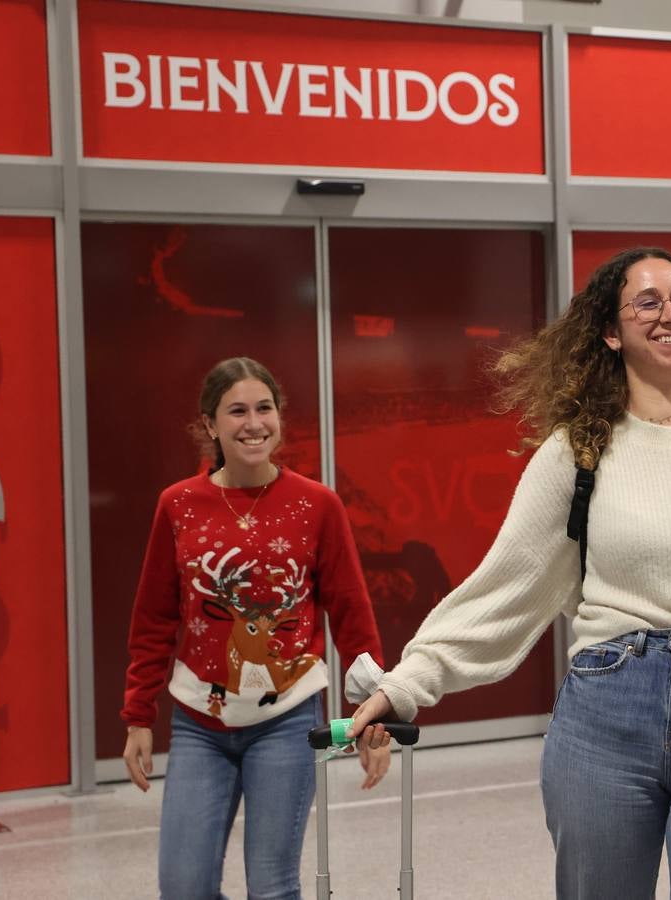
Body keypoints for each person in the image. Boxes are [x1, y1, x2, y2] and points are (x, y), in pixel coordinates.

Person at [350, 247, 671, 900]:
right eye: (648, 302)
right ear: (611, 332)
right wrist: (406, 686)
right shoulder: (578, 453)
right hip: (605, 717)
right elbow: (503, 588)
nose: (670, 313)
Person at [120, 356, 388, 900]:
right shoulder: (177, 506)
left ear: (280, 417)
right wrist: (138, 714)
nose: (253, 423)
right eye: (236, 411)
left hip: (287, 720)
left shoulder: (318, 505)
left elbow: (353, 617)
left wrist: (372, 710)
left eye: (264, 408)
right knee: (184, 888)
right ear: (210, 424)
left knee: (271, 886)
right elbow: (153, 618)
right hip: (200, 722)